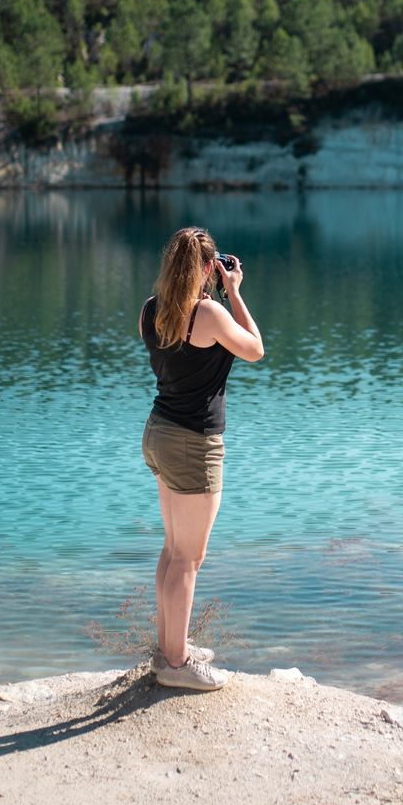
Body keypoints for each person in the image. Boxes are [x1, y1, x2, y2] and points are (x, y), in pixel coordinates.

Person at [139, 226, 264, 691]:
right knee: (188, 559)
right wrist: (235, 293)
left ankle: (169, 647)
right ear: (210, 267)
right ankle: (176, 665)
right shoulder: (209, 314)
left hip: (159, 432)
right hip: (193, 442)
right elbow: (255, 349)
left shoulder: (149, 310)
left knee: (174, 549)